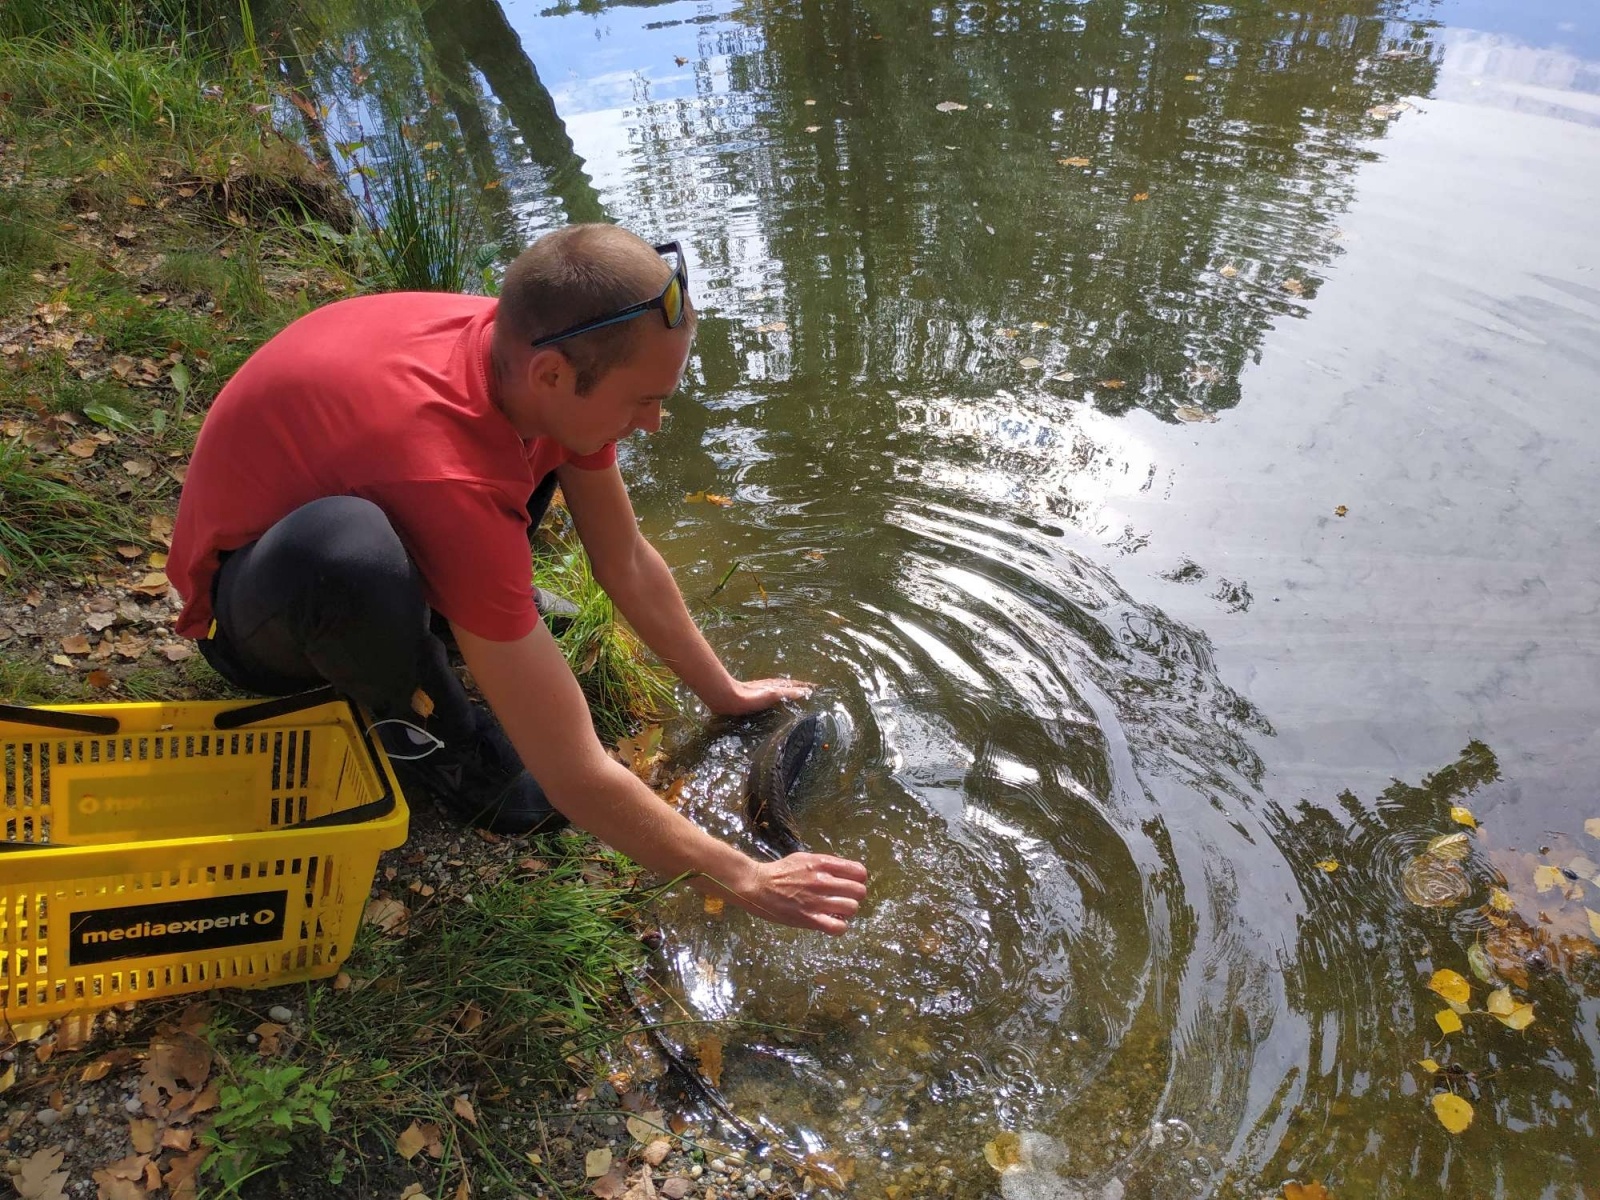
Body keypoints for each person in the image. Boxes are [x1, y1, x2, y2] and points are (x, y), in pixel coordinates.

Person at [167, 224, 868, 935]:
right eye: (642, 401)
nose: (655, 423)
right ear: (553, 374)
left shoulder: (539, 354)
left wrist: (724, 692)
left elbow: (623, 558)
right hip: (259, 608)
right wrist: (746, 877)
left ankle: (467, 602)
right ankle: (438, 741)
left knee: (551, 449)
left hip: (385, 491)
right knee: (351, 558)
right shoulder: (447, 468)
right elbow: (574, 775)